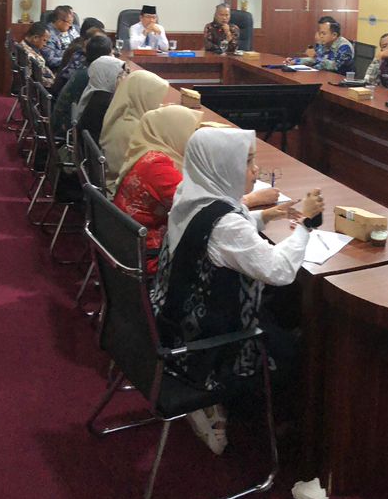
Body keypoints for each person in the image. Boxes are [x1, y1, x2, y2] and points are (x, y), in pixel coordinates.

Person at [151, 128, 323, 454]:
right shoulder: (227, 225)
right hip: (203, 344)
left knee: (282, 309)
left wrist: (264, 216)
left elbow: (216, 231)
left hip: (174, 316)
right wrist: (306, 225)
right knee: (295, 350)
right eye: (247, 162)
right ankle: (275, 429)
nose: (255, 170)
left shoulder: (191, 193)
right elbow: (279, 270)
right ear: (222, 167)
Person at [114, 108, 285, 274]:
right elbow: (203, 208)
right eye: (191, 130)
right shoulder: (158, 168)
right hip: (152, 258)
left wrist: (263, 216)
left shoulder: (154, 155)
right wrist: (254, 199)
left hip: (131, 246)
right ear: (175, 131)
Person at [100, 70, 170, 191]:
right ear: (143, 98)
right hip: (122, 188)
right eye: (156, 99)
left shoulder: (121, 114)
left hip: (114, 179)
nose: (158, 104)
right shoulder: (134, 130)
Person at [52, 34, 115, 137]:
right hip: (67, 127)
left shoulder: (85, 67)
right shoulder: (93, 75)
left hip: (62, 119)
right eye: (111, 53)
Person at [72, 57, 128, 144]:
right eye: (121, 75)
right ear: (107, 77)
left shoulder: (94, 93)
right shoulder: (106, 103)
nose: (125, 78)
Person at [286, 16, 354, 73]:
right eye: (320, 33)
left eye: (323, 33)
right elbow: (315, 60)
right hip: (323, 75)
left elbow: (336, 67)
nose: (320, 36)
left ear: (334, 35)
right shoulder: (324, 43)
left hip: (338, 80)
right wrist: (296, 61)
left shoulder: (344, 47)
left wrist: (316, 57)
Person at [43, 6, 79, 70]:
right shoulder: (48, 34)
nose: (71, 25)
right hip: (62, 68)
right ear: (59, 21)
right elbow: (50, 60)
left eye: (72, 22)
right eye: (69, 22)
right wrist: (71, 60)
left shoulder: (73, 29)